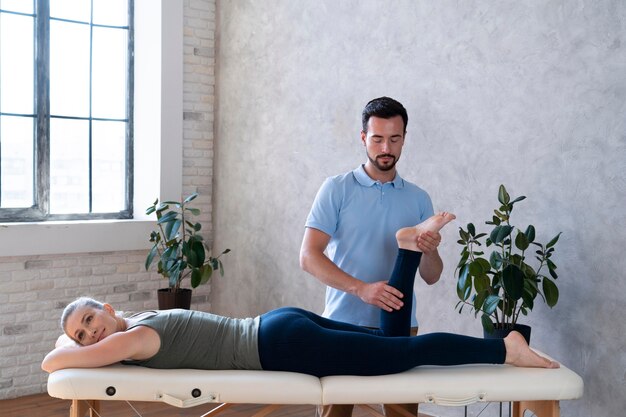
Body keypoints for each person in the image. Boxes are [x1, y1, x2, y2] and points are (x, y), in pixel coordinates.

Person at [42, 213, 559, 376]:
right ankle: (405, 251)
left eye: (89, 321)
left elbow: (51, 364)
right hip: (276, 323)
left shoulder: (127, 338)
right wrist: (80, 338)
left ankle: (502, 347)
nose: (90, 336)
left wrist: (68, 348)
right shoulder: (136, 319)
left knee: (402, 354)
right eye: (83, 335)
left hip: (279, 346)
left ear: (107, 310)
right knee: (389, 341)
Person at [300, 97, 442, 417]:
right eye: (377, 139)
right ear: (363, 138)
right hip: (341, 325)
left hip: (402, 327)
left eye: (394, 138)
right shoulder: (336, 188)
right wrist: (362, 289)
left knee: (402, 414)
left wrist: (430, 251)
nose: (386, 148)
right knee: (335, 414)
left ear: (404, 138)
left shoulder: (419, 198)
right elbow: (309, 256)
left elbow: (432, 275)